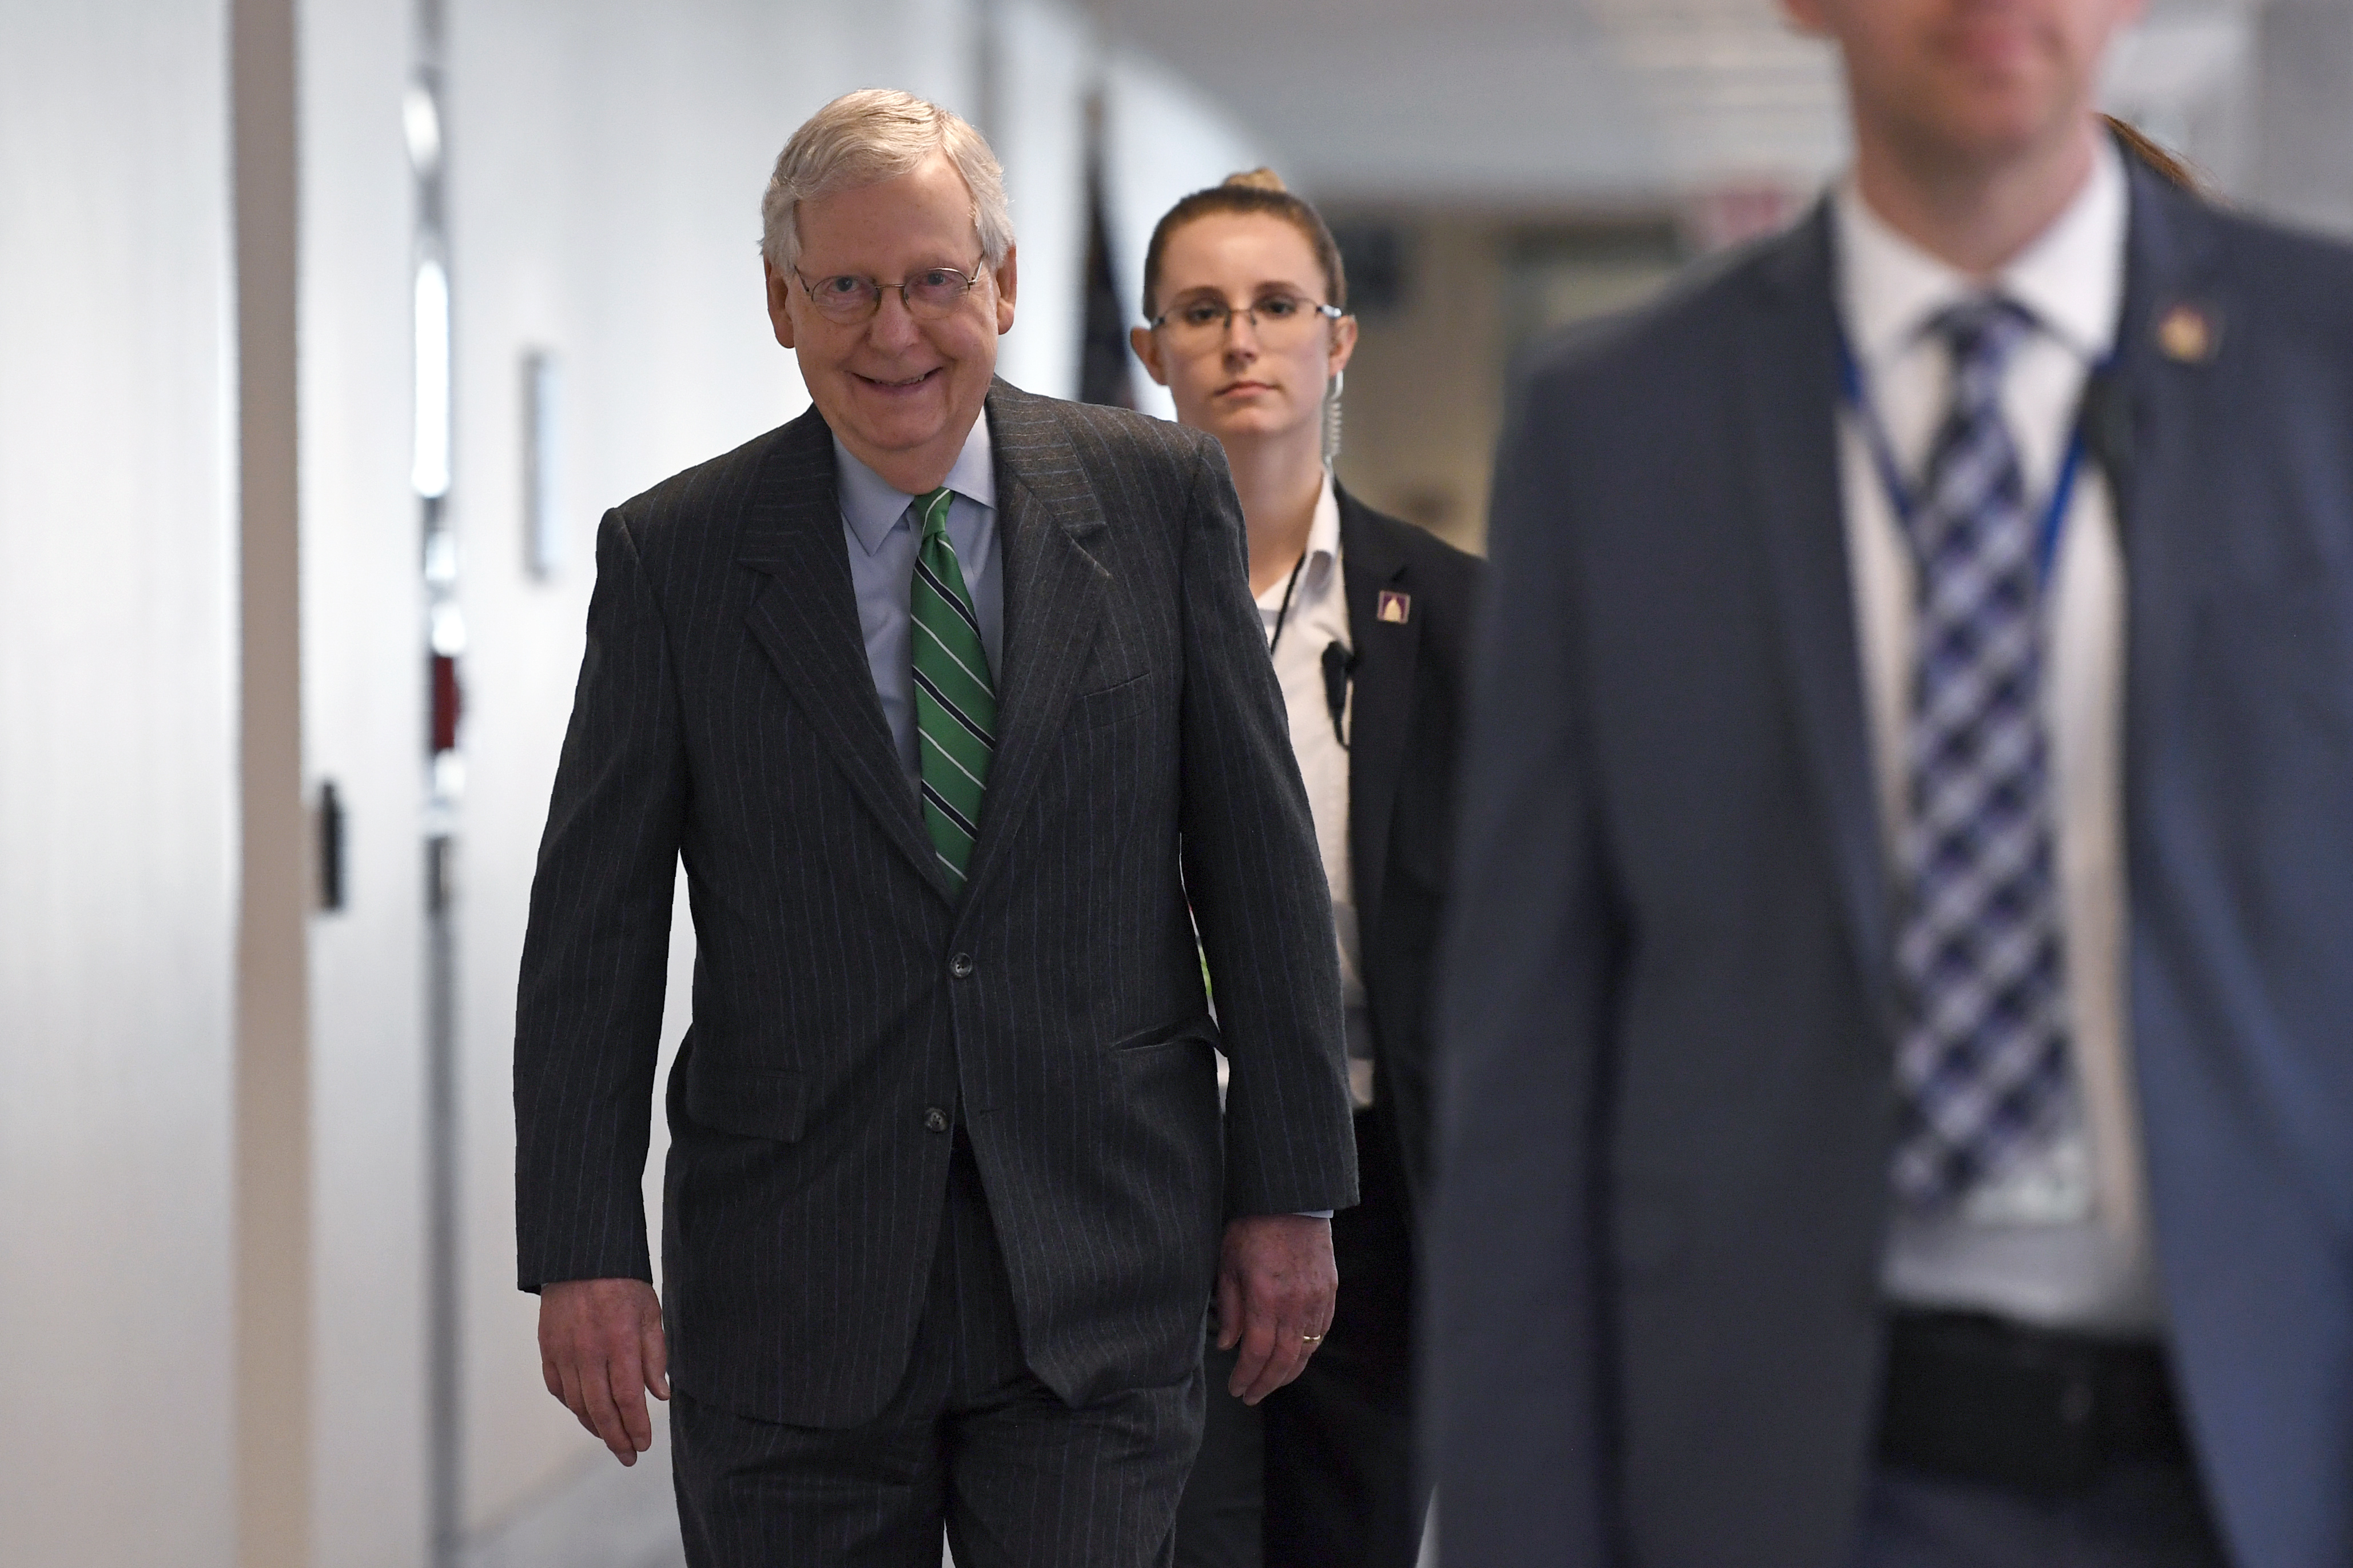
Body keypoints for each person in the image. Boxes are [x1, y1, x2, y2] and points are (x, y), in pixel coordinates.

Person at [1430, 1, 2353, 1565]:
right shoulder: (1622, 426)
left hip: (2256, 1472)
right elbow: (1530, 1066)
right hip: (1795, 1473)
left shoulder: (2322, 371)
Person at [513, 89, 1358, 1567]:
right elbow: (597, 930)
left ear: (1004, 285)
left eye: (932, 280)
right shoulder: (677, 557)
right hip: (792, 1279)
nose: (892, 331)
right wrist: (583, 1245)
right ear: (780, 303)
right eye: (844, 286)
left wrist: (1291, 1191)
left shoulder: (1156, 498)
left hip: (1098, 1256)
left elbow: (1258, 867)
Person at [1133, 171, 1481, 1568]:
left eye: (1278, 305)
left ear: (1339, 340)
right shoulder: (1080, 601)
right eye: (1201, 311)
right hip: (1146, 1170)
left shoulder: (1456, 616)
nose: (1241, 339)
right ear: (1150, 348)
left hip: (1378, 1173)